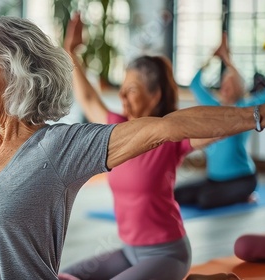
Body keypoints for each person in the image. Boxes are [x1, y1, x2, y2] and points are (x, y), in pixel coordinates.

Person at [0, 0, 265, 279]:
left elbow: (169, 127)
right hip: (127, 248)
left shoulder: (59, 149)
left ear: (17, 77)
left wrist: (261, 114)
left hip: (163, 250)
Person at [56, 13, 223, 280]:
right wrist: (70, 51)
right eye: (122, 88)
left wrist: (257, 115)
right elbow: (87, 98)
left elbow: (215, 127)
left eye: (131, 90)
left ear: (155, 95)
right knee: (62, 278)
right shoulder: (118, 129)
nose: (121, 95)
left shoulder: (171, 135)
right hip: (129, 252)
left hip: (168, 253)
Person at [174, 32, 265, 209]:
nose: (225, 88)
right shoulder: (212, 105)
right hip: (214, 179)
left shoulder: (246, 108)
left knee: (205, 200)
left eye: (230, 85)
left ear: (238, 88)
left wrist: (229, 60)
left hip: (242, 178)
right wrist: (214, 57)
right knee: (178, 194)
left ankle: (245, 194)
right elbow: (194, 83)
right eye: (223, 84)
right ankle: (232, 194)